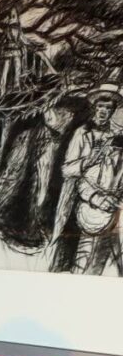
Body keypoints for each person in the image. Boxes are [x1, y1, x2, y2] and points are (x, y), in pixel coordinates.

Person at [48, 84, 122, 271]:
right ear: (94, 108)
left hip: (109, 201)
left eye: (108, 108)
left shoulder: (117, 135)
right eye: (100, 107)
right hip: (80, 198)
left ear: (112, 110)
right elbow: (66, 170)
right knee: (74, 255)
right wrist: (88, 161)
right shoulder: (82, 133)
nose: (103, 111)